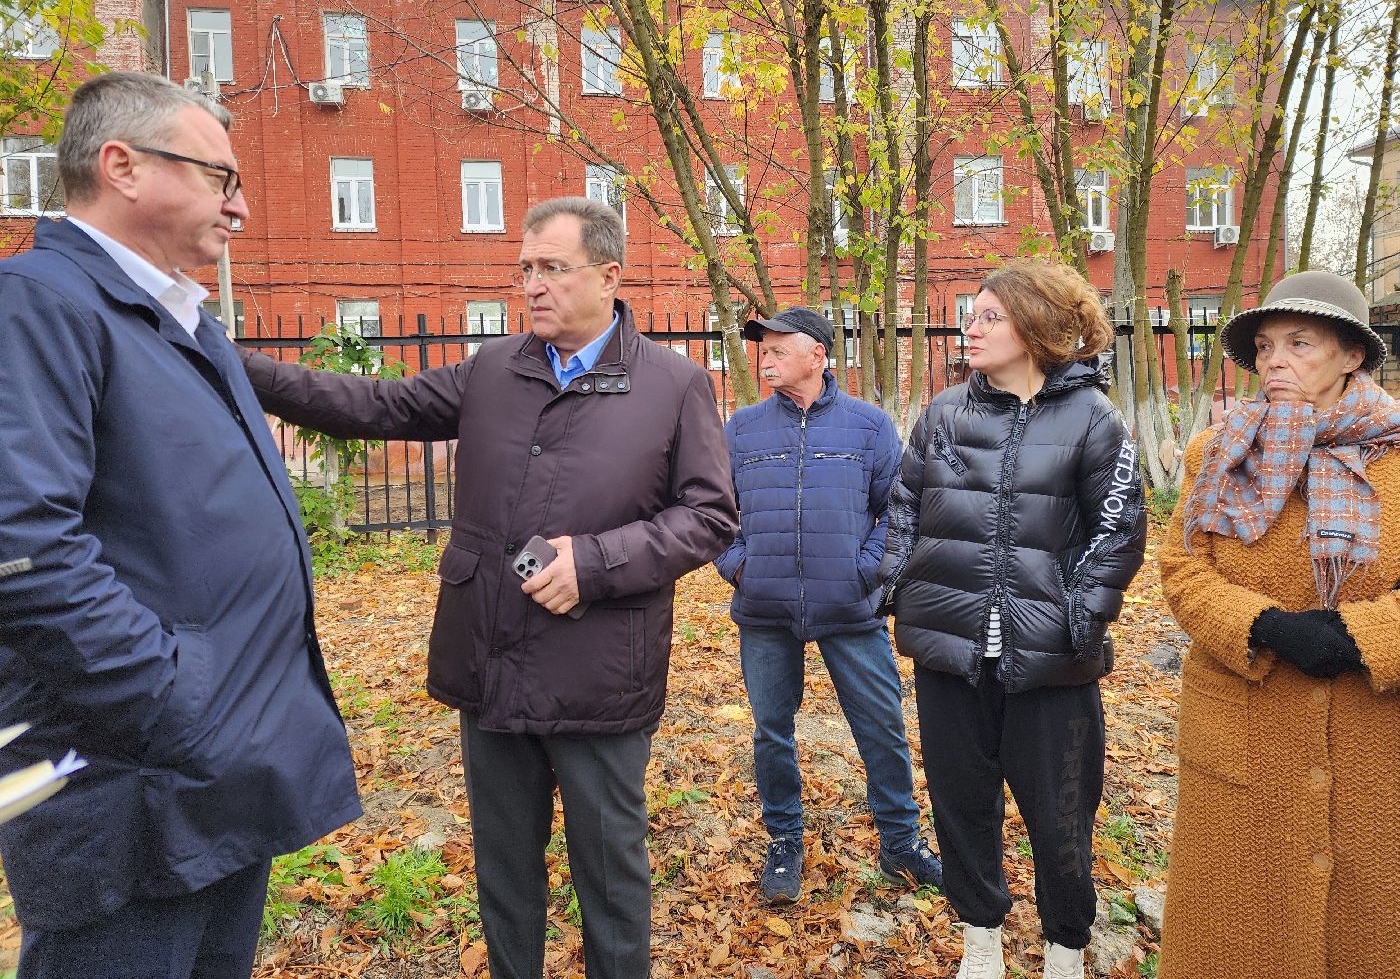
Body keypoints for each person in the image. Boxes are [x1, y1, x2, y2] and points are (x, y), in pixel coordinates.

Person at [241, 196, 738, 979]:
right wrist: (240, 366)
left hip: (600, 675)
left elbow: (710, 516)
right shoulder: (493, 371)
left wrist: (598, 563)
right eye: (525, 270)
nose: (532, 286)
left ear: (610, 275)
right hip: (492, 660)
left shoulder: (673, 385)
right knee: (505, 868)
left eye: (551, 268)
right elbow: (374, 406)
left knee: (610, 874)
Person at [0, 72, 361, 978]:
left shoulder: (173, 320)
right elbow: (21, 544)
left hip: (212, 778)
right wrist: (175, 698)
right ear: (121, 165)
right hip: (130, 790)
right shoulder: (38, 306)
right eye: (219, 178)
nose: (239, 206)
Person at [1158, 269, 1400, 979]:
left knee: (1382, 943)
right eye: (1264, 346)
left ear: (1353, 354)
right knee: (1238, 942)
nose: (1273, 360)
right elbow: (1184, 571)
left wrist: (1353, 638)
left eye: (1299, 342)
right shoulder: (1216, 454)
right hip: (1247, 749)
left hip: (1383, 750)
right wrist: (1267, 626)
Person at [881, 262, 1146, 979]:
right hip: (950, 652)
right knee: (961, 807)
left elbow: (1118, 531)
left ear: (1038, 325)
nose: (973, 325)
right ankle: (981, 938)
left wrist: (1078, 620)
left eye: (991, 315)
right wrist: (892, 586)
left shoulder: (1094, 419)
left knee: (1062, 816)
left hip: (1050, 663)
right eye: (974, 313)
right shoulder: (943, 414)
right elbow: (903, 510)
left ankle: (1066, 944)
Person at [713, 306, 943, 904]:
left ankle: (900, 843)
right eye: (760, 348)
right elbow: (715, 512)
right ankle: (785, 841)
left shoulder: (867, 426)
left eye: (777, 347)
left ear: (817, 353)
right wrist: (742, 567)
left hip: (851, 607)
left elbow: (899, 511)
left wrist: (864, 573)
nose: (764, 357)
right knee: (771, 729)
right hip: (765, 609)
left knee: (881, 724)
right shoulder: (741, 427)